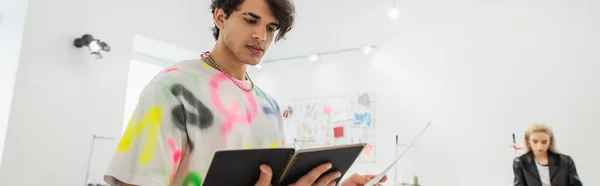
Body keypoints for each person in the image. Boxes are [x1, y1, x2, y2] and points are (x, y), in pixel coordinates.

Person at [104, 0, 388, 185]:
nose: (261, 36)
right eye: (251, 20)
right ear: (220, 17)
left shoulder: (269, 106)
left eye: (271, 28)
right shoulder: (174, 87)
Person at [512, 123, 583, 186]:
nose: (539, 146)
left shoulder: (565, 161)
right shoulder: (520, 162)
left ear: (550, 141)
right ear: (528, 141)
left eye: (544, 142)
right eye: (535, 141)